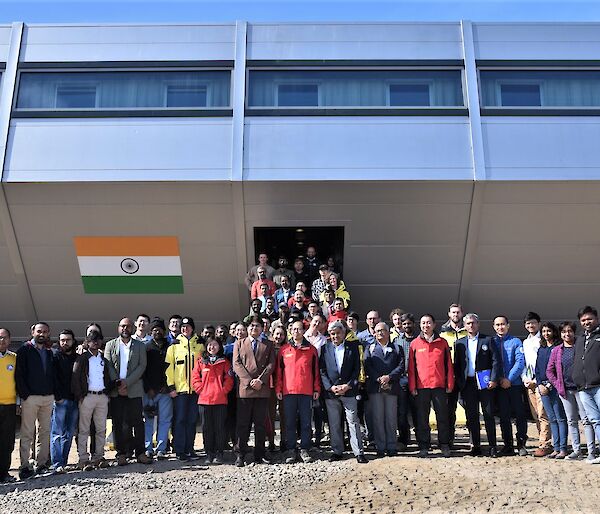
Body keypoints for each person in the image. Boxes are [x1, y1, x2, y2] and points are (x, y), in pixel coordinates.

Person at [104, 318, 152, 466]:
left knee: (138, 422)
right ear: (118, 328)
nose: (125, 328)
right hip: (116, 391)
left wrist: (127, 383)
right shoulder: (110, 345)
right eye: (123, 326)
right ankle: (122, 453)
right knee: (119, 423)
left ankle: (140, 453)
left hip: (134, 390)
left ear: (133, 328)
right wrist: (119, 384)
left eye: (128, 326)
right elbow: (108, 365)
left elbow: (142, 366)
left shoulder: (139, 346)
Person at [320, 320, 367, 463]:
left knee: (353, 422)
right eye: (332, 334)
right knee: (334, 423)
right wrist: (330, 387)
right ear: (329, 334)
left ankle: (358, 452)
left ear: (344, 333)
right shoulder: (325, 348)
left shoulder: (353, 347)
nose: (335, 336)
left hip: (349, 391)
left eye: (338, 333)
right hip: (332, 392)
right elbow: (322, 371)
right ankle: (337, 451)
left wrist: (348, 385)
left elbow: (357, 369)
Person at [547, 320, 596, 461]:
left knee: (586, 420)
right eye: (563, 332)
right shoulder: (557, 350)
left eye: (569, 331)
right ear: (560, 334)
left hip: (581, 389)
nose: (567, 334)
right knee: (571, 421)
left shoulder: (580, 347)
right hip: (565, 391)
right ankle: (576, 450)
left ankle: (591, 451)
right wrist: (557, 384)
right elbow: (550, 370)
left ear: (574, 332)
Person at [453, 313, 500, 457]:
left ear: (478, 324)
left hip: (485, 383)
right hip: (468, 384)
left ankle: (492, 446)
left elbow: (495, 361)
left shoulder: (488, 340)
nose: (471, 325)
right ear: (464, 325)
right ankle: (476, 446)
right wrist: (459, 383)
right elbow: (458, 365)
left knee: (488, 414)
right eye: (468, 323)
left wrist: (493, 379)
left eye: (473, 323)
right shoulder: (459, 343)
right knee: (471, 416)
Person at [408, 314, 454, 458]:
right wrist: (412, 386)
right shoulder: (414, 344)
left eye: (428, 323)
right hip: (421, 388)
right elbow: (411, 368)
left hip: (439, 386)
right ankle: (424, 445)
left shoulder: (442, 343)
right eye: (423, 323)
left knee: (443, 417)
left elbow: (448, 365)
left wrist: (449, 384)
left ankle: (444, 444)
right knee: (422, 418)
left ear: (434, 325)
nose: (426, 325)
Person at [276, 320, 321, 464]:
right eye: (293, 329)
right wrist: (279, 388)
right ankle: (291, 449)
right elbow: (279, 372)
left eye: (299, 329)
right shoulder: (284, 350)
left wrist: (316, 388)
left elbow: (316, 372)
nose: (296, 331)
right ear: (290, 331)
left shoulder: (311, 350)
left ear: (303, 331)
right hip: (288, 391)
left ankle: (305, 449)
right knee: (289, 422)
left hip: (306, 391)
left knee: (306, 422)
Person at [233, 317, 275, 467]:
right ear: (247, 328)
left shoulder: (268, 344)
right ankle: (241, 453)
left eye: (257, 326)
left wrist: (260, 380)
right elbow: (236, 364)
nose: (254, 328)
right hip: (245, 389)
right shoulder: (239, 343)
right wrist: (249, 381)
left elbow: (271, 364)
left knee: (260, 424)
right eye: (251, 326)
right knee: (243, 423)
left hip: (261, 389)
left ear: (262, 328)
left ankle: (260, 453)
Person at [15, 322, 56, 479]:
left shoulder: (49, 351)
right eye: (39, 331)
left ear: (48, 333)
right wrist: (24, 395)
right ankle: (25, 466)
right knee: (27, 433)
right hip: (30, 398)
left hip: (47, 398)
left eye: (45, 332)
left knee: (45, 432)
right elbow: (19, 375)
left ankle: (41, 464)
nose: (42, 334)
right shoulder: (24, 350)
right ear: (33, 332)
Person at [165, 317, 205, 461]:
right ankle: (180, 449)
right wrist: (171, 387)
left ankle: (190, 448)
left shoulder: (200, 345)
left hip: (195, 390)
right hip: (180, 390)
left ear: (192, 328)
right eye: (183, 326)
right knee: (180, 420)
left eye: (187, 326)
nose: (185, 329)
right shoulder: (174, 345)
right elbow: (169, 368)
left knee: (192, 420)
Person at [72, 330, 112, 471]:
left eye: (98, 339)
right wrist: (80, 396)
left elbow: (108, 376)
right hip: (87, 397)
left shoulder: (103, 358)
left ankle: (98, 457)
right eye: (92, 340)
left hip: (102, 397)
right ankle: (83, 459)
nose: (95, 342)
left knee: (101, 429)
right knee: (84, 429)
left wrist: (107, 393)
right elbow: (75, 378)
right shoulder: (82, 358)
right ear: (87, 342)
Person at [364, 322, 404, 457]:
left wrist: (389, 377)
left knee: (391, 418)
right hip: (376, 388)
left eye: (383, 330)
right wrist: (379, 379)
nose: (380, 333)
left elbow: (401, 366)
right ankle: (380, 447)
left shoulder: (397, 348)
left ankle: (391, 446)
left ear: (388, 332)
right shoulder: (369, 348)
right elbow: (367, 365)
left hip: (392, 388)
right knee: (378, 418)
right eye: (377, 331)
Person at [192, 337, 234, 465]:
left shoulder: (225, 362)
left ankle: (219, 453)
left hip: (220, 400)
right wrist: (201, 389)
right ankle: (209, 453)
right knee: (206, 428)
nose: (212, 347)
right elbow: (195, 377)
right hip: (204, 400)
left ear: (220, 347)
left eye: (215, 345)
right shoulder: (200, 361)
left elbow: (229, 379)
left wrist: (223, 391)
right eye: (209, 345)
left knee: (220, 428)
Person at [492, 315, 528, 457]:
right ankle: (508, 445)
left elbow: (520, 363)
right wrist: (500, 379)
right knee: (504, 416)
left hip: (515, 385)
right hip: (499, 385)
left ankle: (521, 444)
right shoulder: (491, 341)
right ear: (494, 327)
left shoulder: (515, 341)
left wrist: (509, 379)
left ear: (508, 325)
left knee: (520, 414)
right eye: (497, 325)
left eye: (503, 324)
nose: (500, 327)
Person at [521, 312, 552, 457]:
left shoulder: (544, 340)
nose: (530, 325)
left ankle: (546, 443)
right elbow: (525, 363)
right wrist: (525, 379)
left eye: (533, 322)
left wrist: (538, 380)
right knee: (535, 414)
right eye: (528, 323)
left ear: (538, 324)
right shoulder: (526, 342)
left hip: (541, 381)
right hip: (529, 382)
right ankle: (542, 440)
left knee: (543, 413)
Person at [535, 322, 567, 459]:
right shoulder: (541, 349)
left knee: (560, 418)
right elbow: (537, 370)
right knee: (551, 419)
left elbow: (559, 370)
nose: (546, 334)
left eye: (548, 331)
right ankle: (556, 447)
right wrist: (540, 384)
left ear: (553, 332)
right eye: (544, 331)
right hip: (542, 388)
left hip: (554, 387)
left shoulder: (559, 348)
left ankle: (563, 448)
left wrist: (549, 385)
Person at [572, 306, 600, 464]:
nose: (586, 322)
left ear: (596, 319)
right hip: (583, 387)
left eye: (589, 319)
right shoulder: (580, 338)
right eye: (583, 320)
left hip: (598, 385)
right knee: (594, 420)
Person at [143, 318, 172, 460]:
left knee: (165, 420)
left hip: (165, 390)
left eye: (159, 329)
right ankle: (148, 448)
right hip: (149, 392)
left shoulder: (170, 346)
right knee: (148, 419)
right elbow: (143, 370)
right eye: (154, 330)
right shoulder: (146, 347)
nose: (157, 332)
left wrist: (167, 386)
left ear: (164, 331)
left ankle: (161, 449)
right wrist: (148, 388)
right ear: (151, 332)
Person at [50, 329, 79, 473]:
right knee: (57, 433)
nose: (65, 343)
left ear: (73, 341)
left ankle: (64, 461)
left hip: (74, 401)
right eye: (62, 340)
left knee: (69, 433)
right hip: (60, 401)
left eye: (67, 340)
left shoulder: (77, 358)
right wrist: (57, 397)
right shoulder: (55, 357)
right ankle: (56, 463)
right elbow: (52, 378)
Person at [439, 303, 468, 445]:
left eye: (458, 312)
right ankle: (449, 439)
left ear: (461, 313)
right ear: (449, 314)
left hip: (465, 375)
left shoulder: (468, 330)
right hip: (448, 376)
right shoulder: (442, 333)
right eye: (453, 312)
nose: (455, 315)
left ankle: (473, 440)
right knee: (449, 410)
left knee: (470, 407)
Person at [392, 313, 419, 451]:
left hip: (418, 380)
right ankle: (403, 439)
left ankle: (421, 439)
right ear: (401, 325)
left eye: (409, 323)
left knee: (418, 411)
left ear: (413, 324)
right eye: (404, 324)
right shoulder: (396, 341)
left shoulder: (420, 340)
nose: (407, 326)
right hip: (402, 380)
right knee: (401, 411)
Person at [0, 328, 17, 483]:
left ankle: (4, 472)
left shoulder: (14, 358)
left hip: (10, 405)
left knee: (7, 441)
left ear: (10, 340)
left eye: (5, 338)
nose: (2, 341)